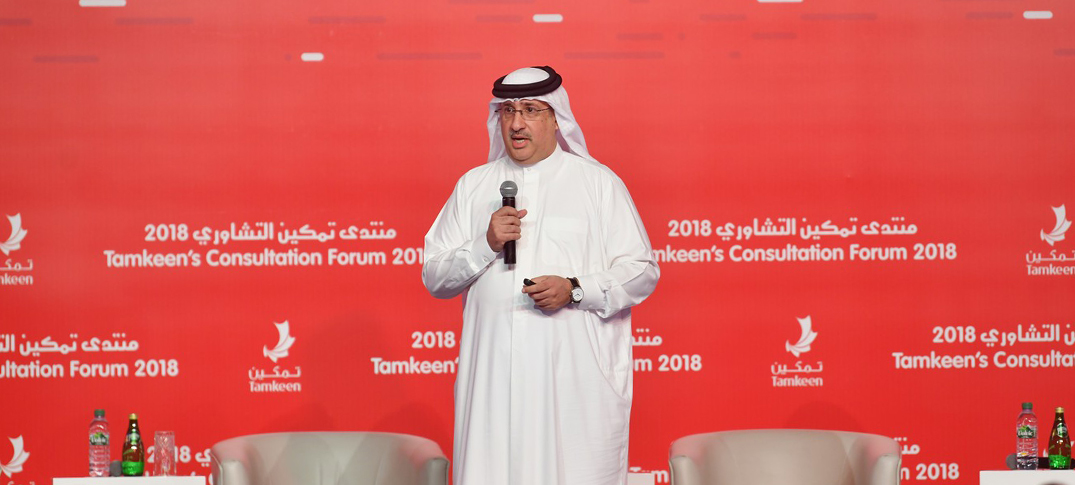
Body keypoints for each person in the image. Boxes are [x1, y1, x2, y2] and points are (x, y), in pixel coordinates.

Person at [422, 66, 660, 485]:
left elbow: (641, 271)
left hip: (571, 382)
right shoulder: (473, 186)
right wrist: (485, 244)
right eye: (508, 111)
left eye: (531, 110)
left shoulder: (598, 183)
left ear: (556, 118)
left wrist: (575, 289)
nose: (517, 123)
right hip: (492, 381)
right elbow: (435, 276)